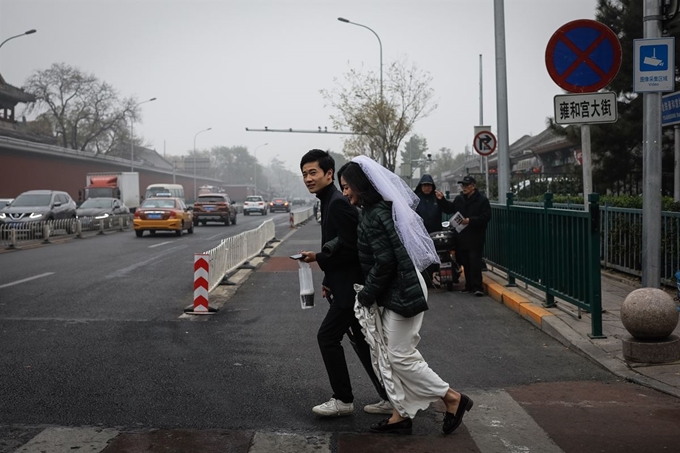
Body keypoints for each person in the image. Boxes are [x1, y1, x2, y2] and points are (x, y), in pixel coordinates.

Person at [336, 156, 473, 436]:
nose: (345, 192)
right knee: (391, 354)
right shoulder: (374, 211)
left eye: (347, 186)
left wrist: (366, 295)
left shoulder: (375, 215)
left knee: (399, 356)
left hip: (402, 290)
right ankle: (400, 413)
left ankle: (452, 398)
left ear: (361, 186)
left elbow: (385, 262)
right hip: (397, 289)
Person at [298, 149, 390, 417]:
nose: (308, 178)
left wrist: (320, 258)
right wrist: (327, 276)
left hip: (351, 289)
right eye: (304, 174)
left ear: (329, 174)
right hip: (342, 285)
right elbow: (337, 245)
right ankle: (389, 396)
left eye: (313, 172)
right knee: (363, 344)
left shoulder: (337, 202)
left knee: (327, 337)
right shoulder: (326, 201)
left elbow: (353, 247)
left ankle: (343, 399)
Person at [452, 176, 491, 297]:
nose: (464, 188)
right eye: (463, 185)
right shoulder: (459, 199)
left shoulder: (482, 200)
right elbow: (450, 208)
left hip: (475, 236)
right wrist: (441, 200)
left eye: (466, 185)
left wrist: (470, 220)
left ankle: (477, 286)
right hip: (462, 236)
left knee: (474, 261)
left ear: (473, 186)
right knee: (465, 261)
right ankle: (468, 285)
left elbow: (485, 217)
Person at [414, 174, 456, 286]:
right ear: (421, 187)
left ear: (432, 186)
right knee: (425, 259)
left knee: (442, 255)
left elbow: (449, 209)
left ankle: (449, 275)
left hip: (436, 234)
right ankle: (427, 281)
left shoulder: (437, 198)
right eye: (424, 186)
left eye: (429, 185)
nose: (427, 188)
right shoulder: (415, 199)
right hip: (422, 235)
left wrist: (442, 200)